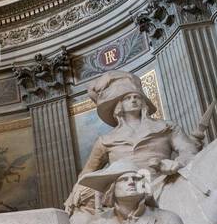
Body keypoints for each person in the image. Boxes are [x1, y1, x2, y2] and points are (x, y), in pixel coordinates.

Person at [65, 69, 202, 216]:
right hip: (126, 194)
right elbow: (87, 173)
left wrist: (177, 163)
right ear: (118, 105)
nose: (133, 100)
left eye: (136, 96)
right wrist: (76, 193)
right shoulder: (106, 140)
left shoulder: (166, 127)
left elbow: (189, 151)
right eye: (127, 98)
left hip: (165, 185)